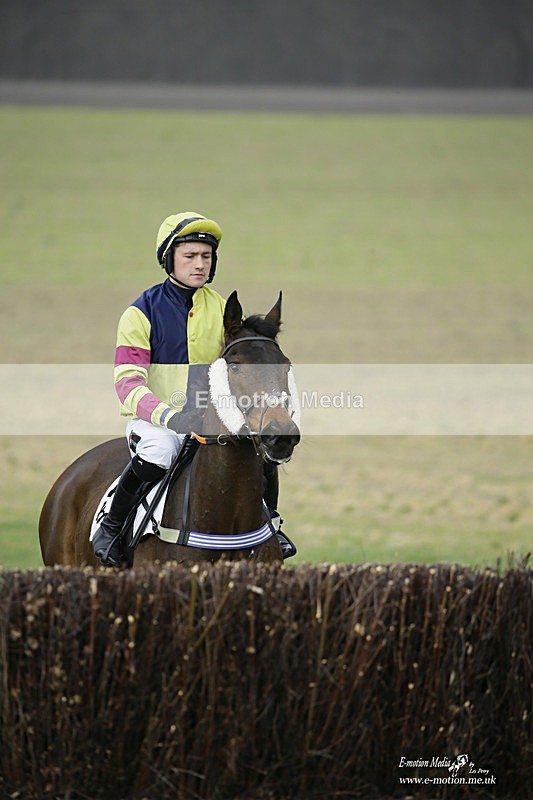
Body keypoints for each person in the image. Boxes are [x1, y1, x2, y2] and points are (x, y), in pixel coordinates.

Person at [92, 211, 296, 566]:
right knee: (159, 453)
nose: (199, 264)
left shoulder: (221, 310)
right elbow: (127, 384)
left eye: (206, 257)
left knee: (261, 455)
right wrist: (171, 417)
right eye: (190, 256)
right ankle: (112, 528)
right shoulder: (140, 313)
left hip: (211, 422)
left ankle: (271, 527)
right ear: (169, 259)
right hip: (158, 424)